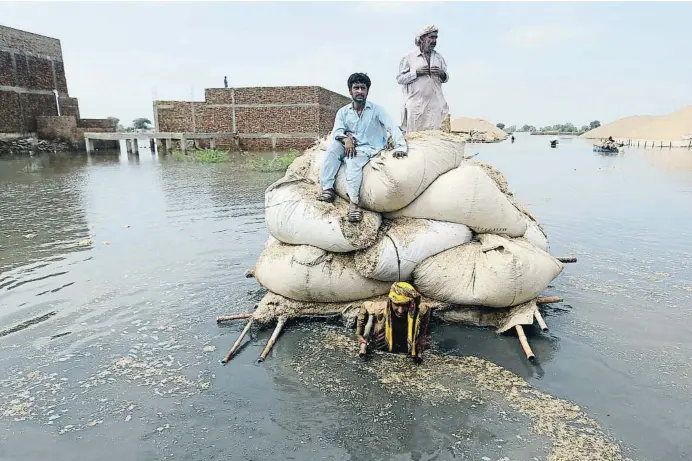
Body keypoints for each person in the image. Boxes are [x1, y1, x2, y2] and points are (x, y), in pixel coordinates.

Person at [317, 73, 408, 223]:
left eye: (362, 88)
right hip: (349, 144)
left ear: (367, 91)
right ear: (350, 91)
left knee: (352, 161)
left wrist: (400, 147)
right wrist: (346, 139)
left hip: (370, 148)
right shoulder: (343, 112)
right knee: (332, 149)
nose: (359, 91)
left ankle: (354, 204)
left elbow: (392, 127)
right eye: (356, 88)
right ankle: (327, 189)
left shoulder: (377, 110)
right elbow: (337, 131)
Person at [355, 282, 431, 364]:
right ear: (391, 302)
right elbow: (364, 305)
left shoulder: (417, 310)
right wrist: (359, 335)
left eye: (405, 305)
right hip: (382, 340)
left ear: (411, 303)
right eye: (397, 305)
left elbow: (427, 310)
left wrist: (422, 335)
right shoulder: (380, 308)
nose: (400, 310)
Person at [397, 25, 450, 133]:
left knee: (435, 139)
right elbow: (400, 79)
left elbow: (446, 78)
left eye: (436, 38)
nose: (434, 41)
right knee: (415, 139)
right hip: (416, 106)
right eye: (431, 37)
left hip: (435, 105)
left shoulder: (439, 58)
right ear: (422, 39)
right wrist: (416, 73)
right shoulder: (409, 58)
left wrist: (441, 73)